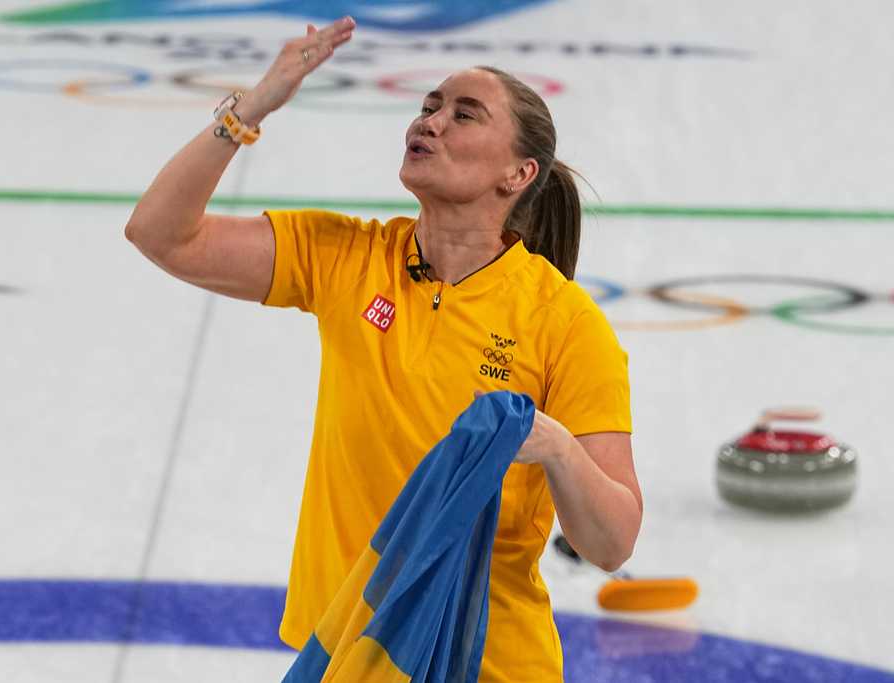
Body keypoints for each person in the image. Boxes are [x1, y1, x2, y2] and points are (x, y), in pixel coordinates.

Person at [125, 15, 642, 682]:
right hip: (350, 655)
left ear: (518, 173)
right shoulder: (347, 256)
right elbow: (160, 234)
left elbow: (612, 540)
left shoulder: (565, 322)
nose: (429, 122)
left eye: (464, 114)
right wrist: (251, 108)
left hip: (484, 664)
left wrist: (558, 448)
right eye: (428, 106)